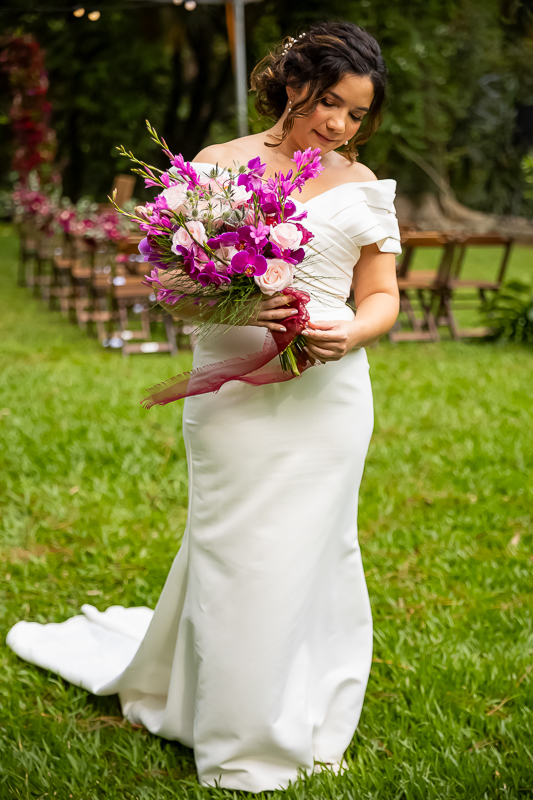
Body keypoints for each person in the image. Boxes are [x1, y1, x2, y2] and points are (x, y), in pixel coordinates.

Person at [7, 20, 401, 793]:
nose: (339, 125)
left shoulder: (361, 188)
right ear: (293, 87)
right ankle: (232, 728)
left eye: (356, 114)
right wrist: (244, 300)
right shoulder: (218, 169)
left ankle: (306, 702)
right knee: (234, 550)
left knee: (315, 553)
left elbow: (381, 294)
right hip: (229, 391)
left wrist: (348, 333)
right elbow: (174, 286)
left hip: (327, 395)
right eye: (329, 104)